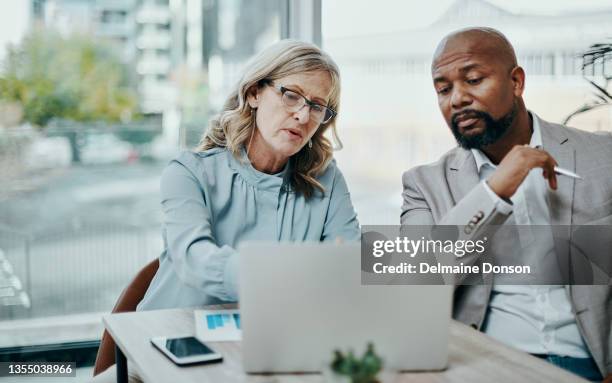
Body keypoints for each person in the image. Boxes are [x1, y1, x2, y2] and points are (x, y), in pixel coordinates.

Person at [93, 39, 359, 382]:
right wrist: (284, 279)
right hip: (163, 356)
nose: (303, 115)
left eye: (318, 106)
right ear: (253, 93)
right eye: (291, 95)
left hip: (267, 359)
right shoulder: (189, 171)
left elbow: (347, 266)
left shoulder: (326, 180)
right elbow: (194, 258)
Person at [401, 27, 611, 382]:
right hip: (489, 366)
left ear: (516, 82)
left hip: (595, 365)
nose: (457, 99)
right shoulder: (424, 184)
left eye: (473, 79)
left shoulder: (603, 157)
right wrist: (497, 188)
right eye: (443, 89)